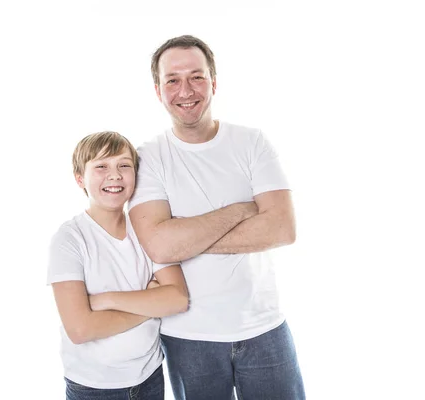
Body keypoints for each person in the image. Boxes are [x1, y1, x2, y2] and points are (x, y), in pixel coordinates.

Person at [128, 35, 306, 399]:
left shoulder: (252, 142)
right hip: (190, 336)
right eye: (172, 80)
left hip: (265, 328)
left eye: (197, 76)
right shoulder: (148, 156)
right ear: (158, 90)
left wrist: (186, 238)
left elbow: (283, 228)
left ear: (214, 82)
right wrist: (242, 211)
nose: (185, 90)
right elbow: (160, 246)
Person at [47, 131, 189, 400]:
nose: (114, 175)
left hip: (149, 378)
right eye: (101, 166)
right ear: (80, 179)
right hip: (94, 387)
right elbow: (80, 329)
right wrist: (149, 306)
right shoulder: (69, 239)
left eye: (124, 165)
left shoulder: (146, 229)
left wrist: (107, 300)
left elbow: (177, 299)